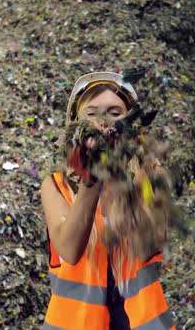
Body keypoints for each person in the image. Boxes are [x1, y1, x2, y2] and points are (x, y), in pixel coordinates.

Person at [40, 72, 175, 330]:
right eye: (91, 114)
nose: (102, 122)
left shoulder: (152, 176)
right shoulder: (55, 186)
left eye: (114, 113)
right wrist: (90, 182)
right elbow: (69, 251)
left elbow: (150, 245)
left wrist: (121, 172)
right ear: (74, 123)